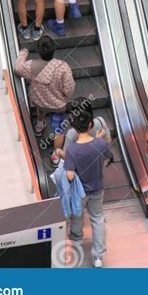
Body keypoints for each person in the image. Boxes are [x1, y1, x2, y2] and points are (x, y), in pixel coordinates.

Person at [56, 108, 113, 268]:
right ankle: (98, 256)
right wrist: (100, 140)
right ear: (90, 124)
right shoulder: (100, 143)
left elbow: (69, 176)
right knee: (97, 218)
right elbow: (107, 157)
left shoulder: (73, 150)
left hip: (79, 193)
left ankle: (76, 240)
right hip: (97, 188)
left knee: (77, 216)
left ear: (73, 127)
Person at [15, 36, 75, 167]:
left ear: (38, 50)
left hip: (39, 101)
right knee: (58, 130)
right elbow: (70, 88)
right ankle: (55, 155)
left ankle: (40, 125)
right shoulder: (62, 67)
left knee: (40, 109)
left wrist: (23, 53)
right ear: (53, 50)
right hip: (58, 105)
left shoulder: (31, 66)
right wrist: (64, 97)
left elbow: (18, 69)